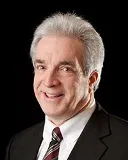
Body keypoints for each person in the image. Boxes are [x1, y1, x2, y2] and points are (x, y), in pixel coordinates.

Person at [5, 12, 128, 160]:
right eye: (41, 67)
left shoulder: (124, 144)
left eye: (65, 69)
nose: (49, 82)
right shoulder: (18, 145)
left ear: (92, 79)